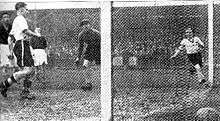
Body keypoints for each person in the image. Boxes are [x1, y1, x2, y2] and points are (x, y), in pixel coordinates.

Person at [0, 2, 41, 98]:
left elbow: (10, 37)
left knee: (31, 70)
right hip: (22, 45)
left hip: (23, 45)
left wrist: (11, 49)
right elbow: (25, 31)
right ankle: (4, 84)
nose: (28, 11)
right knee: (28, 70)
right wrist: (37, 35)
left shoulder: (16, 20)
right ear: (21, 9)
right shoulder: (20, 19)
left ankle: (25, 92)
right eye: (26, 9)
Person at [75, 19, 100, 91]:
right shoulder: (81, 35)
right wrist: (78, 57)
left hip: (99, 49)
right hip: (89, 50)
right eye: (83, 25)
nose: (85, 26)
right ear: (82, 27)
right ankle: (88, 84)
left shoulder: (96, 33)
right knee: (85, 66)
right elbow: (80, 47)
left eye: (86, 24)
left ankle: (107, 84)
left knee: (101, 67)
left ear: (90, 25)